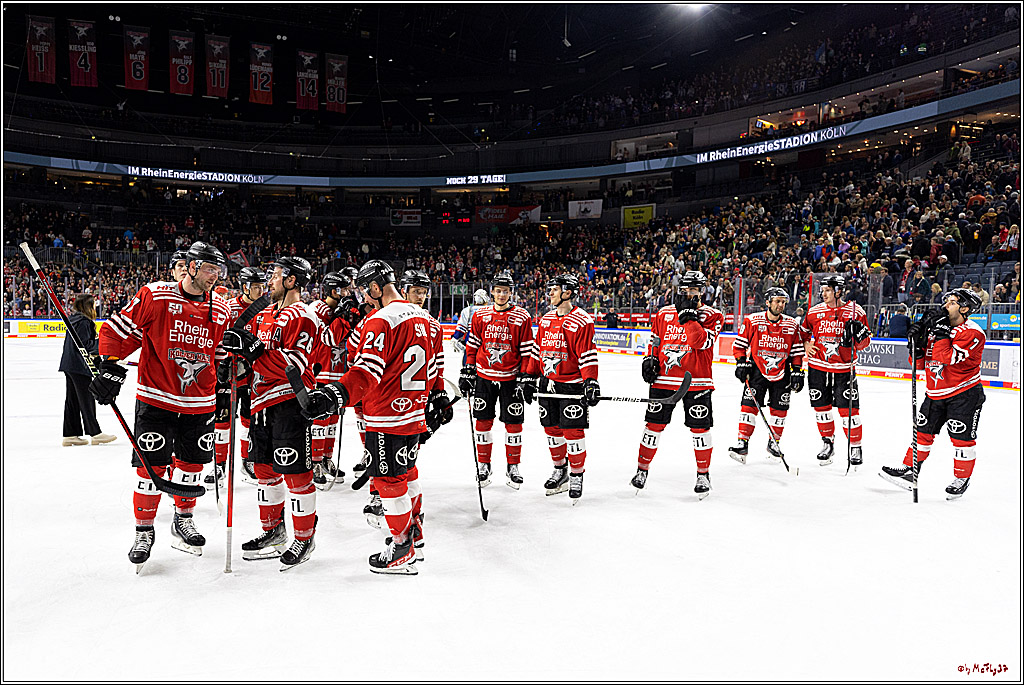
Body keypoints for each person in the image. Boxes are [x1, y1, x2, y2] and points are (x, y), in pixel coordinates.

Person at [302, 260, 452, 574]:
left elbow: (365, 372)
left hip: (386, 414)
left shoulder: (381, 320)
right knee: (408, 473)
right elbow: (435, 366)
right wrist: (437, 395)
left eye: (365, 292)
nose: (365, 299)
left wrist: (335, 395)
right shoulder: (424, 317)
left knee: (389, 481)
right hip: (413, 411)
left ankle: (401, 547)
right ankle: (415, 534)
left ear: (374, 287)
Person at [92, 241, 232, 570]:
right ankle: (143, 531)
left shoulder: (222, 309)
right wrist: (110, 366)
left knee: (191, 468)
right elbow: (116, 329)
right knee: (148, 470)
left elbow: (220, 355)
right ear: (192, 266)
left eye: (217, 271)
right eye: (209, 269)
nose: (214, 276)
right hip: (156, 399)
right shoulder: (156, 295)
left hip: (201, 403)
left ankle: (183, 519)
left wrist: (228, 374)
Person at [223, 256, 321, 570]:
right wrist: (237, 359)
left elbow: (294, 365)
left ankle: (304, 536)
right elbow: (259, 359)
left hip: (290, 403)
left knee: (295, 473)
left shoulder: (302, 315)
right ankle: (274, 531)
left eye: (277, 275)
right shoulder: (266, 314)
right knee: (264, 470)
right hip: (260, 400)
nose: (271, 280)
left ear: (292, 280)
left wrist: (253, 350)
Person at [880, 288, 987, 499]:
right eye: (946, 301)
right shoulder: (938, 328)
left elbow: (946, 357)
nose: (945, 305)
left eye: (953, 302)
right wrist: (916, 345)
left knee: (961, 439)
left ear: (965, 309)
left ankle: (961, 478)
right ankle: (910, 471)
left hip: (964, 394)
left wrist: (938, 332)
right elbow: (919, 365)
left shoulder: (973, 333)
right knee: (922, 433)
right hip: (935, 393)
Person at [632, 271, 724, 499]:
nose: (688, 293)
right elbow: (656, 338)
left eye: (693, 290)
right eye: (685, 290)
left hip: (697, 380)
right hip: (663, 380)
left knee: (700, 430)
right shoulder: (664, 313)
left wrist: (689, 318)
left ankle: (703, 474)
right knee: (652, 427)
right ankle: (641, 470)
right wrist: (650, 358)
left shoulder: (713, 315)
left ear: (702, 291)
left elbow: (700, 342)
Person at [519, 273, 599, 503]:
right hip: (547, 383)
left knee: (573, 432)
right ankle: (560, 469)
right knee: (551, 430)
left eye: (554, 289)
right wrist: (528, 376)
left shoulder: (582, 320)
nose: (550, 293)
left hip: (571, 384)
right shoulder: (546, 320)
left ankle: (576, 474)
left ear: (568, 292)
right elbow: (537, 351)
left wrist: (590, 381)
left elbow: (587, 354)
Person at [461, 271, 534, 489]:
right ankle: (484, 465)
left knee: (514, 423)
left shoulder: (522, 317)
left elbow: (527, 350)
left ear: (511, 292)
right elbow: (472, 345)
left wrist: (526, 376)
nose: (502, 295)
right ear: (492, 291)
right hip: (484, 376)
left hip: (510, 379)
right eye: (498, 290)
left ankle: (513, 466)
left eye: (506, 291)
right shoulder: (480, 315)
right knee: (482, 422)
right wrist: (468, 370)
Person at [799, 274, 871, 467]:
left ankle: (855, 446)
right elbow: (803, 332)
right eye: (822, 290)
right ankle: (827, 443)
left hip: (844, 368)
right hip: (818, 368)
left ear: (839, 291)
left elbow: (864, 344)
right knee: (821, 409)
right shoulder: (814, 312)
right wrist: (806, 344)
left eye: (828, 290)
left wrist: (860, 335)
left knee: (849, 410)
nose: (823, 294)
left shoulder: (856, 312)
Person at [728, 288, 804, 464]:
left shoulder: (791, 324)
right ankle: (742, 443)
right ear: (768, 302)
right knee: (748, 407)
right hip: (757, 371)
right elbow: (740, 345)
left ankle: (774, 443)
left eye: (783, 302)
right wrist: (741, 362)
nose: (780, 305)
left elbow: (797, 351)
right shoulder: (753, 321)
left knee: (780, 410)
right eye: (777, 301)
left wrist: (798, 371)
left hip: (782, 371)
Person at [210, 266, 266, 488]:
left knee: (248, 420)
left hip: (253, 375)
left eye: (262, 286)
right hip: (229, 374)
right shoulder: (230, 308)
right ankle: (219, 464)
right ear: (244, 287)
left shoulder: (267, 309)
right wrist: (223, 363)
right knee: (222, 421)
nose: (260, 291)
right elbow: (217, 337)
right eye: (256, 287)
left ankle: (246, 460)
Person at [307, 271, 357, 487]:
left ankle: (326, 458)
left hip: (339, 371)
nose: (348, 294)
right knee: (319, 419)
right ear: (334, 290)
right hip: (320, 370)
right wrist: (342, 317)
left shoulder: (342, 309)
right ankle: (315, 461)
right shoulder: (317, 309)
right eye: (344, 289)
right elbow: (329, 338)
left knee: (333, 420)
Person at [60, 294, 116, 447]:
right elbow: (86, 346)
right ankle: (95, 433)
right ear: (88, 307)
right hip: (79, 366)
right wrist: (105, 343)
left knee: (72, 400)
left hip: (69, 364)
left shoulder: (73, 319)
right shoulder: (84, 322)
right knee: (86, 399)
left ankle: (70, 434)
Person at [451, 288, 489, 357]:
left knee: (468, 363)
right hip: (486, 343)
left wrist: (455, 338)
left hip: (470, 342)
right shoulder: (491, 310)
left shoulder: (467, 310)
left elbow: (461, 327)